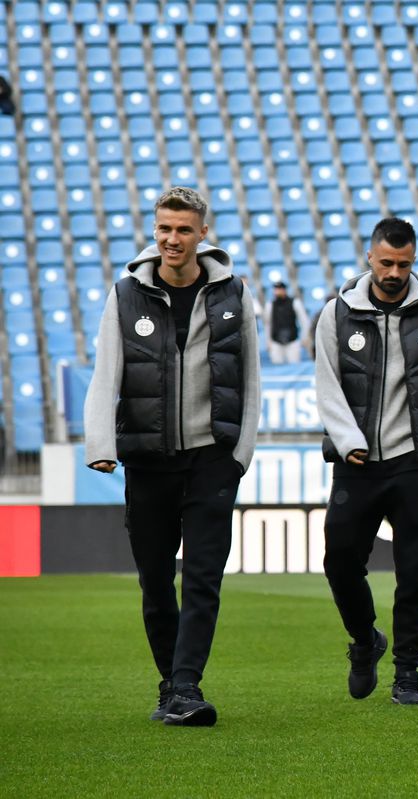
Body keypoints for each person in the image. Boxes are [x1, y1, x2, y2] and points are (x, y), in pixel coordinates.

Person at [84, 187, 261, 727]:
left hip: (212, 458)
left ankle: (186, 686)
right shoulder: (126, 293)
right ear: (154, 230)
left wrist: (240, 455)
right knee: (157, 583)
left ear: (203, 232)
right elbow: (106, 374)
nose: (172, 239)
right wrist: (100, 445)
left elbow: (251, 380)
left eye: (183, 229)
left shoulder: (235, 293)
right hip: (147, 459)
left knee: (204, 577)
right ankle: (170, 683)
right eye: (164, 228)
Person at [315, 217, 418, 706]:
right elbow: (327, 385)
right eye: (386, 262)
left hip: (415, 462)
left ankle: (408, 673)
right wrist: (346, 439)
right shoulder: (336, 314)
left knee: (414, 574)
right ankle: (365, 642)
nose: (394, 272)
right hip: (357, 463)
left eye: (403, 264)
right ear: (369, 257)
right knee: (340, 563)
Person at [262, 281, 309, 364]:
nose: (277, 291)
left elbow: (304, 321)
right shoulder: (270, 305)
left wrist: (304, 337)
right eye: (276, 289)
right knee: (277, 368)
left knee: (294, 367)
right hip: (276, 341)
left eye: (279, 289)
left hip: (292, 340)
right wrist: (268, 341)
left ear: (284, 290)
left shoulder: (295, 303)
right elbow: (267, 324)